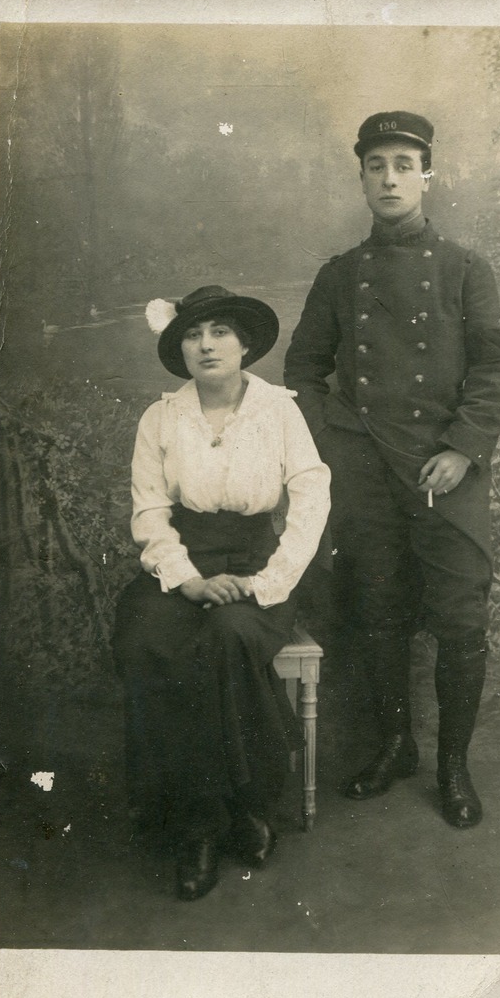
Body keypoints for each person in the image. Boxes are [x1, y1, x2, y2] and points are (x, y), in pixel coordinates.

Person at [284, 111, 500, 828]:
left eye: (404, 164)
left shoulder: (466, 269)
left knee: (458, 619)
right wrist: (338, 446)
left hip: (444, 474)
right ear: (360, 178)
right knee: (377, 611)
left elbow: (493, 368)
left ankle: (453, 767)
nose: (389, 178)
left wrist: (462, 449)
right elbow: (301, 370)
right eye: (376, 165)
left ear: (427, 177)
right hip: (368, 476)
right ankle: (394, 746)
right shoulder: (339, 275)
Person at [112, 285, 330, 900]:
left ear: (245, 344)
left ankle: (249, 806)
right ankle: (199, 821)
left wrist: (267, 583)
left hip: (259, 562)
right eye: (192, 334)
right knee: (146, 637)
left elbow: (311, 500)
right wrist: (189, 581)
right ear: (179, 347)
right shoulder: (160, 417)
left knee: (231, 634)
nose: (207, 345)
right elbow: (150, 511)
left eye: (220, 332)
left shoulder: (280, 411)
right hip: (187, 562)